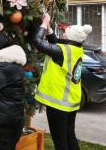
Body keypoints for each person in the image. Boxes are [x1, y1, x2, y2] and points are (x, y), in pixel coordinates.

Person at [32, 13, 92, 150]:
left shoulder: (62, 52)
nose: (63, 33)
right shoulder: (76, 49)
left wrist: (43, 24)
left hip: (58, 103)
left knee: (60, 141)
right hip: (70, 101)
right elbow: (57, 44)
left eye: (65, 33)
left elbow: (38, 42)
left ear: (70, 37)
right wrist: (48, 29)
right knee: (69, 135)